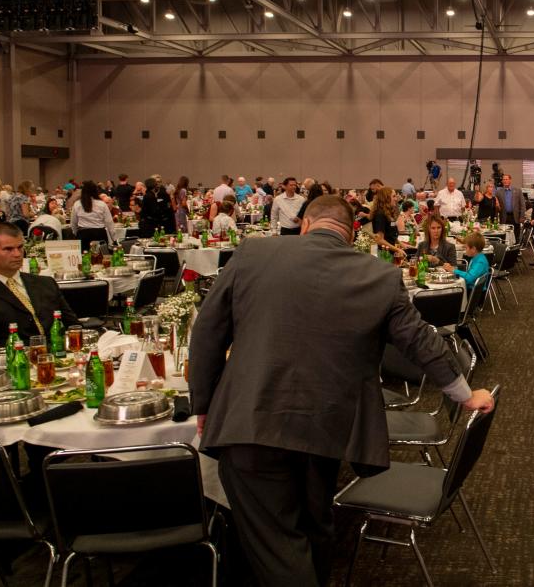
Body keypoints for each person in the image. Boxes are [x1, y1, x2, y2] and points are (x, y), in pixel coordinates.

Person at [189, 196, 494, 586]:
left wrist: (204, 402)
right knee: (315, 529)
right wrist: (465, 394)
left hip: (250, 422)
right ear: (352, 234)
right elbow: (421, 341)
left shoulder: (252, 253)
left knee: (277, 543)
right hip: (329, 427)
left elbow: (207, 334)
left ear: (305, 224)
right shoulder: (380, 276)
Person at [0, 222, 79, 348]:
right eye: (8, 249)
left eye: (20, 247)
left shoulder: (46, 283)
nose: (17, 254)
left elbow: (74, 327)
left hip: (55, 359)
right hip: (8, 362)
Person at [70, 180, 116, 250]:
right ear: (95, 191)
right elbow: (109, 223)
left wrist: (77, 234)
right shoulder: (102, 204)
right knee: (101, 258)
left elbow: (73, 223)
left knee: (85, 258)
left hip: (83, 235)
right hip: (99, 234)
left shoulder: (77, 204)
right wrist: (114, 239)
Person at [370, 187, 411, 259]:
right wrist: (397, 249)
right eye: (394, 196)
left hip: (389, 252)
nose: (396, 199)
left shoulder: (388, 213)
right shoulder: (380, 215)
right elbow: (380, 240)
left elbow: (391, 235)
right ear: (386, 198)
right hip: (383, 254)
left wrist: (401, 244)